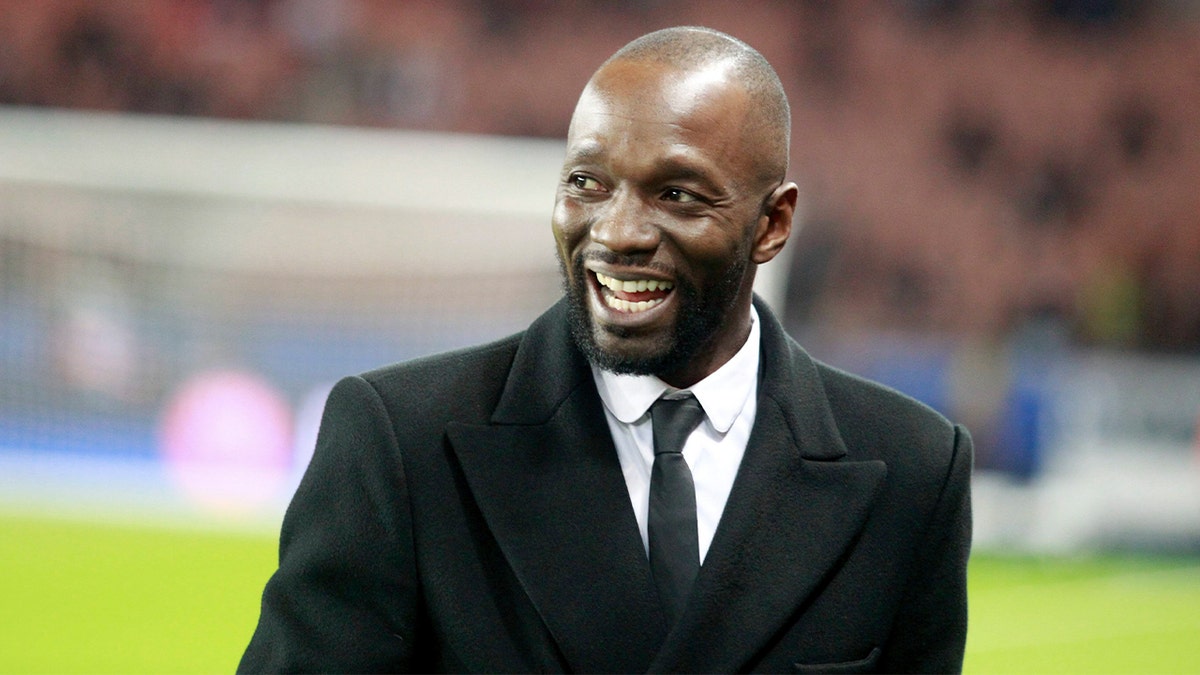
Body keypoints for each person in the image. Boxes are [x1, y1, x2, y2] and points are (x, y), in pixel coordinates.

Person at [239, 26, 972, 674]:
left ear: (773, 223)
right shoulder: (400, 442)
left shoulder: (913, 468)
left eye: (678, 195)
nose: (618, 232)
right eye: (588, 182)